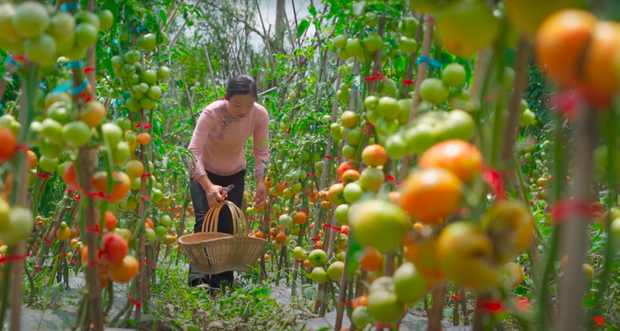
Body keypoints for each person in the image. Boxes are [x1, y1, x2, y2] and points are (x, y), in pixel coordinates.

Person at [187, 74, 269, 292]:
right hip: (203, 173)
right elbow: (192, 153)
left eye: (249, 104)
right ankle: (199, 279)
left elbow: (261, 151)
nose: (243, 110)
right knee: (205, 221)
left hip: (234, 174)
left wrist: (261, 181)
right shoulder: (211, 113)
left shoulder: (259, 115)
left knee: (227, 227)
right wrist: (207, 186)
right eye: (237, 104)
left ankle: (222, 283)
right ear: (226, 98)